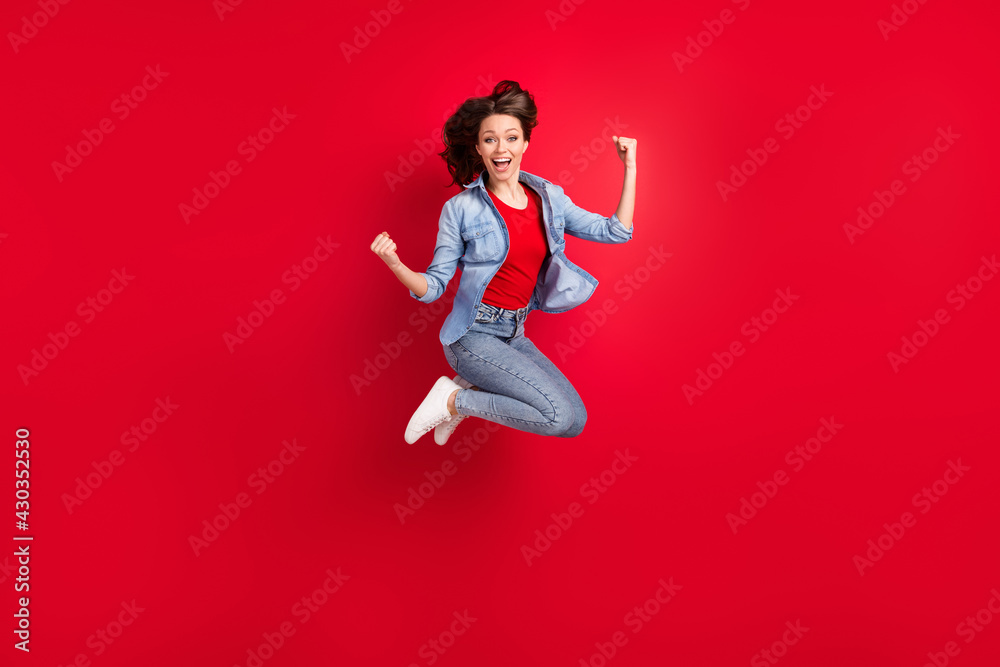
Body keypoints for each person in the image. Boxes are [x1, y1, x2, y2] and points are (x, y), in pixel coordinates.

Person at [370, 80, 637, 445]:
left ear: (525, 143)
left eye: (511, 138)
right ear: (478, 148)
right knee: (555, 415)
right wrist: (395, 264)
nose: (502, 148)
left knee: (573, 420)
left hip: (515, 333)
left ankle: (460, 399)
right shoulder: (461, 209)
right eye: (490, 139)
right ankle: (454, 400)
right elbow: (433, 288)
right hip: (472, 336)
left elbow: (615, 232)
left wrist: (630, 167)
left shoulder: (549, 198)